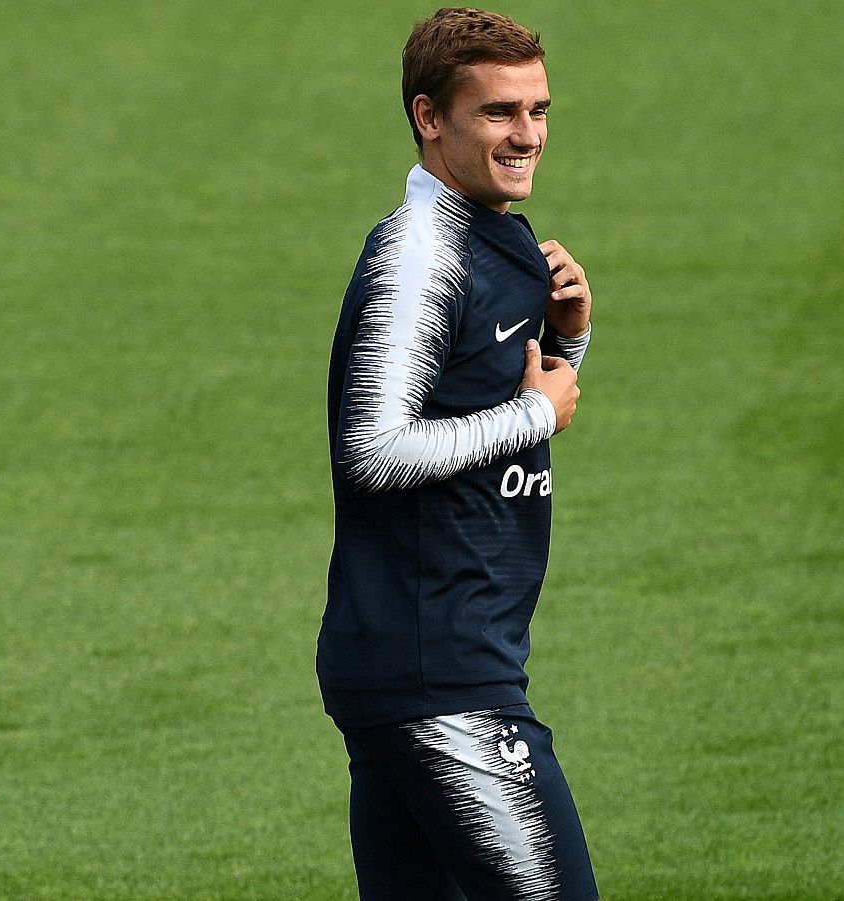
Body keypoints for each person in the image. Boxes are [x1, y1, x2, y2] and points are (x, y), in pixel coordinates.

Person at [317, 8, 598, 900]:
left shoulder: (497, 233)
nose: (527, 136)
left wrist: (569, 344)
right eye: (498, 113)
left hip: (432, 655)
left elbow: (503, 395)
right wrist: (533, 413)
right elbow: (375, 447)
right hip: (438, 669)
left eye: (539, 110)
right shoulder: (418, 257)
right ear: (429, 116)